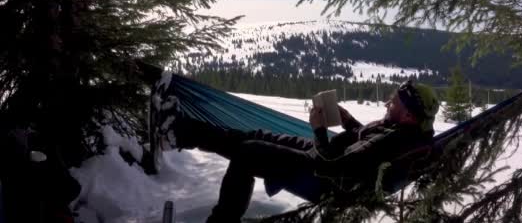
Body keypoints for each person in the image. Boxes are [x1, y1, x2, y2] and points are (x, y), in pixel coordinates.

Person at [152, 80, 439, 223]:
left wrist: (317, 130)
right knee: (256, 136)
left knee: (249, 152)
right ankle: (179, 132)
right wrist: (348, 120)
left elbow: (338, 167)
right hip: (326, 156)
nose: (390, 102)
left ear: (409, 116)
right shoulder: (405, 132)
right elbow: (368, 146)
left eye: (396, 102)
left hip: (322, 176)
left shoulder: (397, 140)